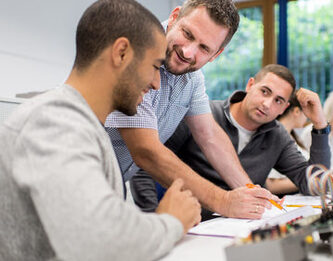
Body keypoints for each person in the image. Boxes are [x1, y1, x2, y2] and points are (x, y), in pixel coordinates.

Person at [0, 1, 201, 260]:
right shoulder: (55, 121)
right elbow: (101, 242)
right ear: (121, 53)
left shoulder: (88, 128)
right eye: (154, 66)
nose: (156, 83)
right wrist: (171, 221)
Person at [105, 0, 275, 219]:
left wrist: (252, 193)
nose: (187, 52)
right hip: (70, 174)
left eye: (204, 48)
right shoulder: (136, 48)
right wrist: (223, 201)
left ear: (216, 54)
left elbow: (209, 135)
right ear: (175, 17)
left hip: (110, 186)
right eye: (187, 34)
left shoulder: (192, 77)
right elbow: (146, 151)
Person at [165, 64, 331, 199]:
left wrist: (320, 124)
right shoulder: (202, 115)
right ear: (250, 85)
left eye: (278, 101)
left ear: (284, 108)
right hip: (193, 224)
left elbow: (316, 184)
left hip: (245, 226)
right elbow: (150, 162)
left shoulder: (277, 135)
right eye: (264, 91)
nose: (267, 104)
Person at [266, 94, 309, 195]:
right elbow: (270, 185)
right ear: (297, 111)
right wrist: (307, 181)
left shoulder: (292, 135)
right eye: (306, 113)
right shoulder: (274, 136)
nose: (307, 118)